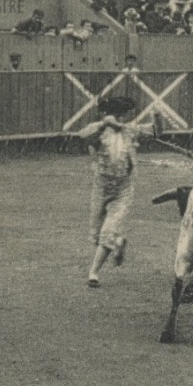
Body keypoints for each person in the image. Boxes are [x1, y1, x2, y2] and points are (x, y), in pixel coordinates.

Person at [76, 96, 160, 287]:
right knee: (96, 235)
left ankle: (93, 273)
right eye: (124, 116)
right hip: (101, 188)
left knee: (108, 231)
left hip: (124, 189)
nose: (126, 119)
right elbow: (82, 136)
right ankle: (118, 241)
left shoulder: (130, 131)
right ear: (117, 116)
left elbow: (156, 132)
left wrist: (157, 116)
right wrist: (104, 124)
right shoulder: (100, 130)